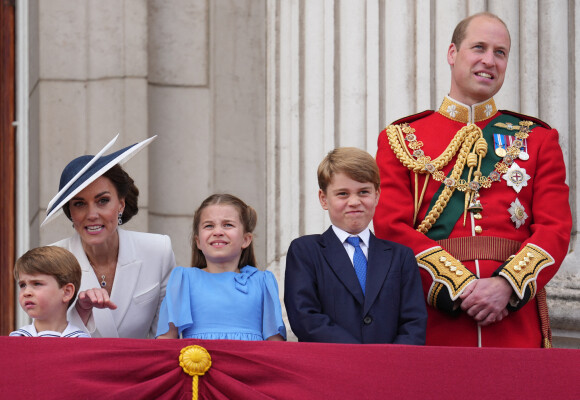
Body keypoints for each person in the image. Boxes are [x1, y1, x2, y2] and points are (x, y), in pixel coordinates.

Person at [374, 12, 572, 348]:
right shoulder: (402, 137)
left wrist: (507, 285)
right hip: (435, 318)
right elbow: (390, 227)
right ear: (452, 54)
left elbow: (555, 228)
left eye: (500, 52)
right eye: (478, 47)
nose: (489, 60)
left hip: (513, 318)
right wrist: (460, 286)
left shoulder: (537, 138)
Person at [284, 147, 427, 344]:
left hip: (389, 367)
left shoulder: (400, 256)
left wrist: (388, 362)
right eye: (342, 194)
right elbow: (305, 316)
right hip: (330, 367)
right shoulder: (306, 251)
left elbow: (414, 322)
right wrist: (360, 357)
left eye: (363, 192)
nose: (354, 201)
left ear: (376, 196)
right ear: (324, 199)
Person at [42, 135, 176, 338]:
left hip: (141, 368)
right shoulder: (50, 262)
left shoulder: (158, 250)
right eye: (79, 204)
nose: (92, 214)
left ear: (121, 204)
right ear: (70, 212)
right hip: (79, 368)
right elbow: (45, 337)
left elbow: (165, 336)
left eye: (102, 201)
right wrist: (81, 311)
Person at [156, 193, 286, 341]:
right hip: (197, 363)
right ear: (198, 241)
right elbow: (166, 340)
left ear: (246, 239)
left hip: (248, 363)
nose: (217, 232)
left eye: (228, 225)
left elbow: (275, 343)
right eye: (209, 226)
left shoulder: (262, 282)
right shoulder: (183, 280)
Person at [10, 246, 90, 338]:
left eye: (37, 284)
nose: (26, 292)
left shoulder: (81, 341)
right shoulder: (15, 339)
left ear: (67, 292)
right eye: (22, 285)